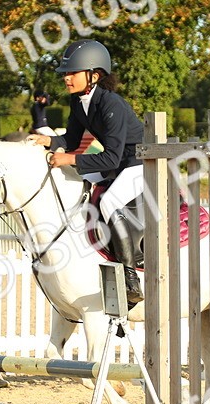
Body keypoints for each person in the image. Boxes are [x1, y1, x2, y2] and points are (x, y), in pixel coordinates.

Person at [30, 39, 147, 304]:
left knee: (109, 203)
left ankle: (130, 277)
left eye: (72, 73)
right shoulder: (78, 102)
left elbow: (110, 157)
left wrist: (69, 158)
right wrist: (48, 141)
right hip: (117, 162)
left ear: (93, 75)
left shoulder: (111, 104)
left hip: (139, 163)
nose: (67, 79)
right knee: (71, 182)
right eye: (66, 74)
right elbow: (70, 142)